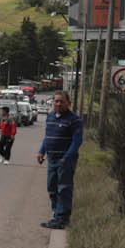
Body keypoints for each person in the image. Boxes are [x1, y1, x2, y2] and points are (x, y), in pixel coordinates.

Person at [35, 91, 84, 229]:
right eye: (56, 101)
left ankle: (63, 218)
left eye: (61, 101)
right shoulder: (50, 117)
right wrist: (41, 151)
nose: (58, 104)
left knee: (64, 188)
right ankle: (57, 215)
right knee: (52, 187)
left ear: (68, 103)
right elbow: (48, 137)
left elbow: (77, 141)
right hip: (52, 158)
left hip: (65, 160)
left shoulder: (74, 120)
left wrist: (66, 158)